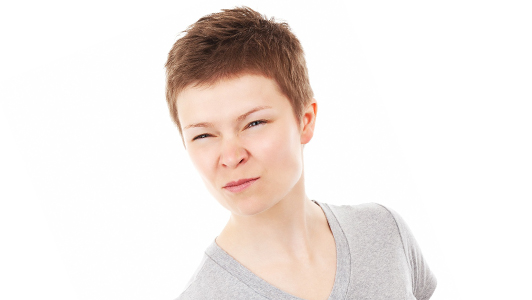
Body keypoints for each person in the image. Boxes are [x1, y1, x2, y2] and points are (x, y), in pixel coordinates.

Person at [165, 7, 436, 300]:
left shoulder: (383, 232)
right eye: (203, 135)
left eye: (254, 123)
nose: (231, 157)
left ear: (305, 120)